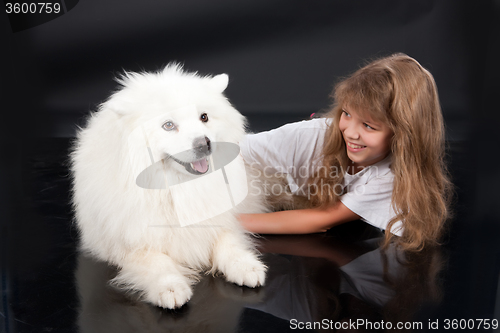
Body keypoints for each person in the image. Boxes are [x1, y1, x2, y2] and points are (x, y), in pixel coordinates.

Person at [239, 53, 453, 251]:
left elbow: (322, 220)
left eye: (368, 126)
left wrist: (230, 224)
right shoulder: (312, 135)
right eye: (347, 114)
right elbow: (237, 148)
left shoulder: (391, 175)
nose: (350, 133)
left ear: (402, 136)